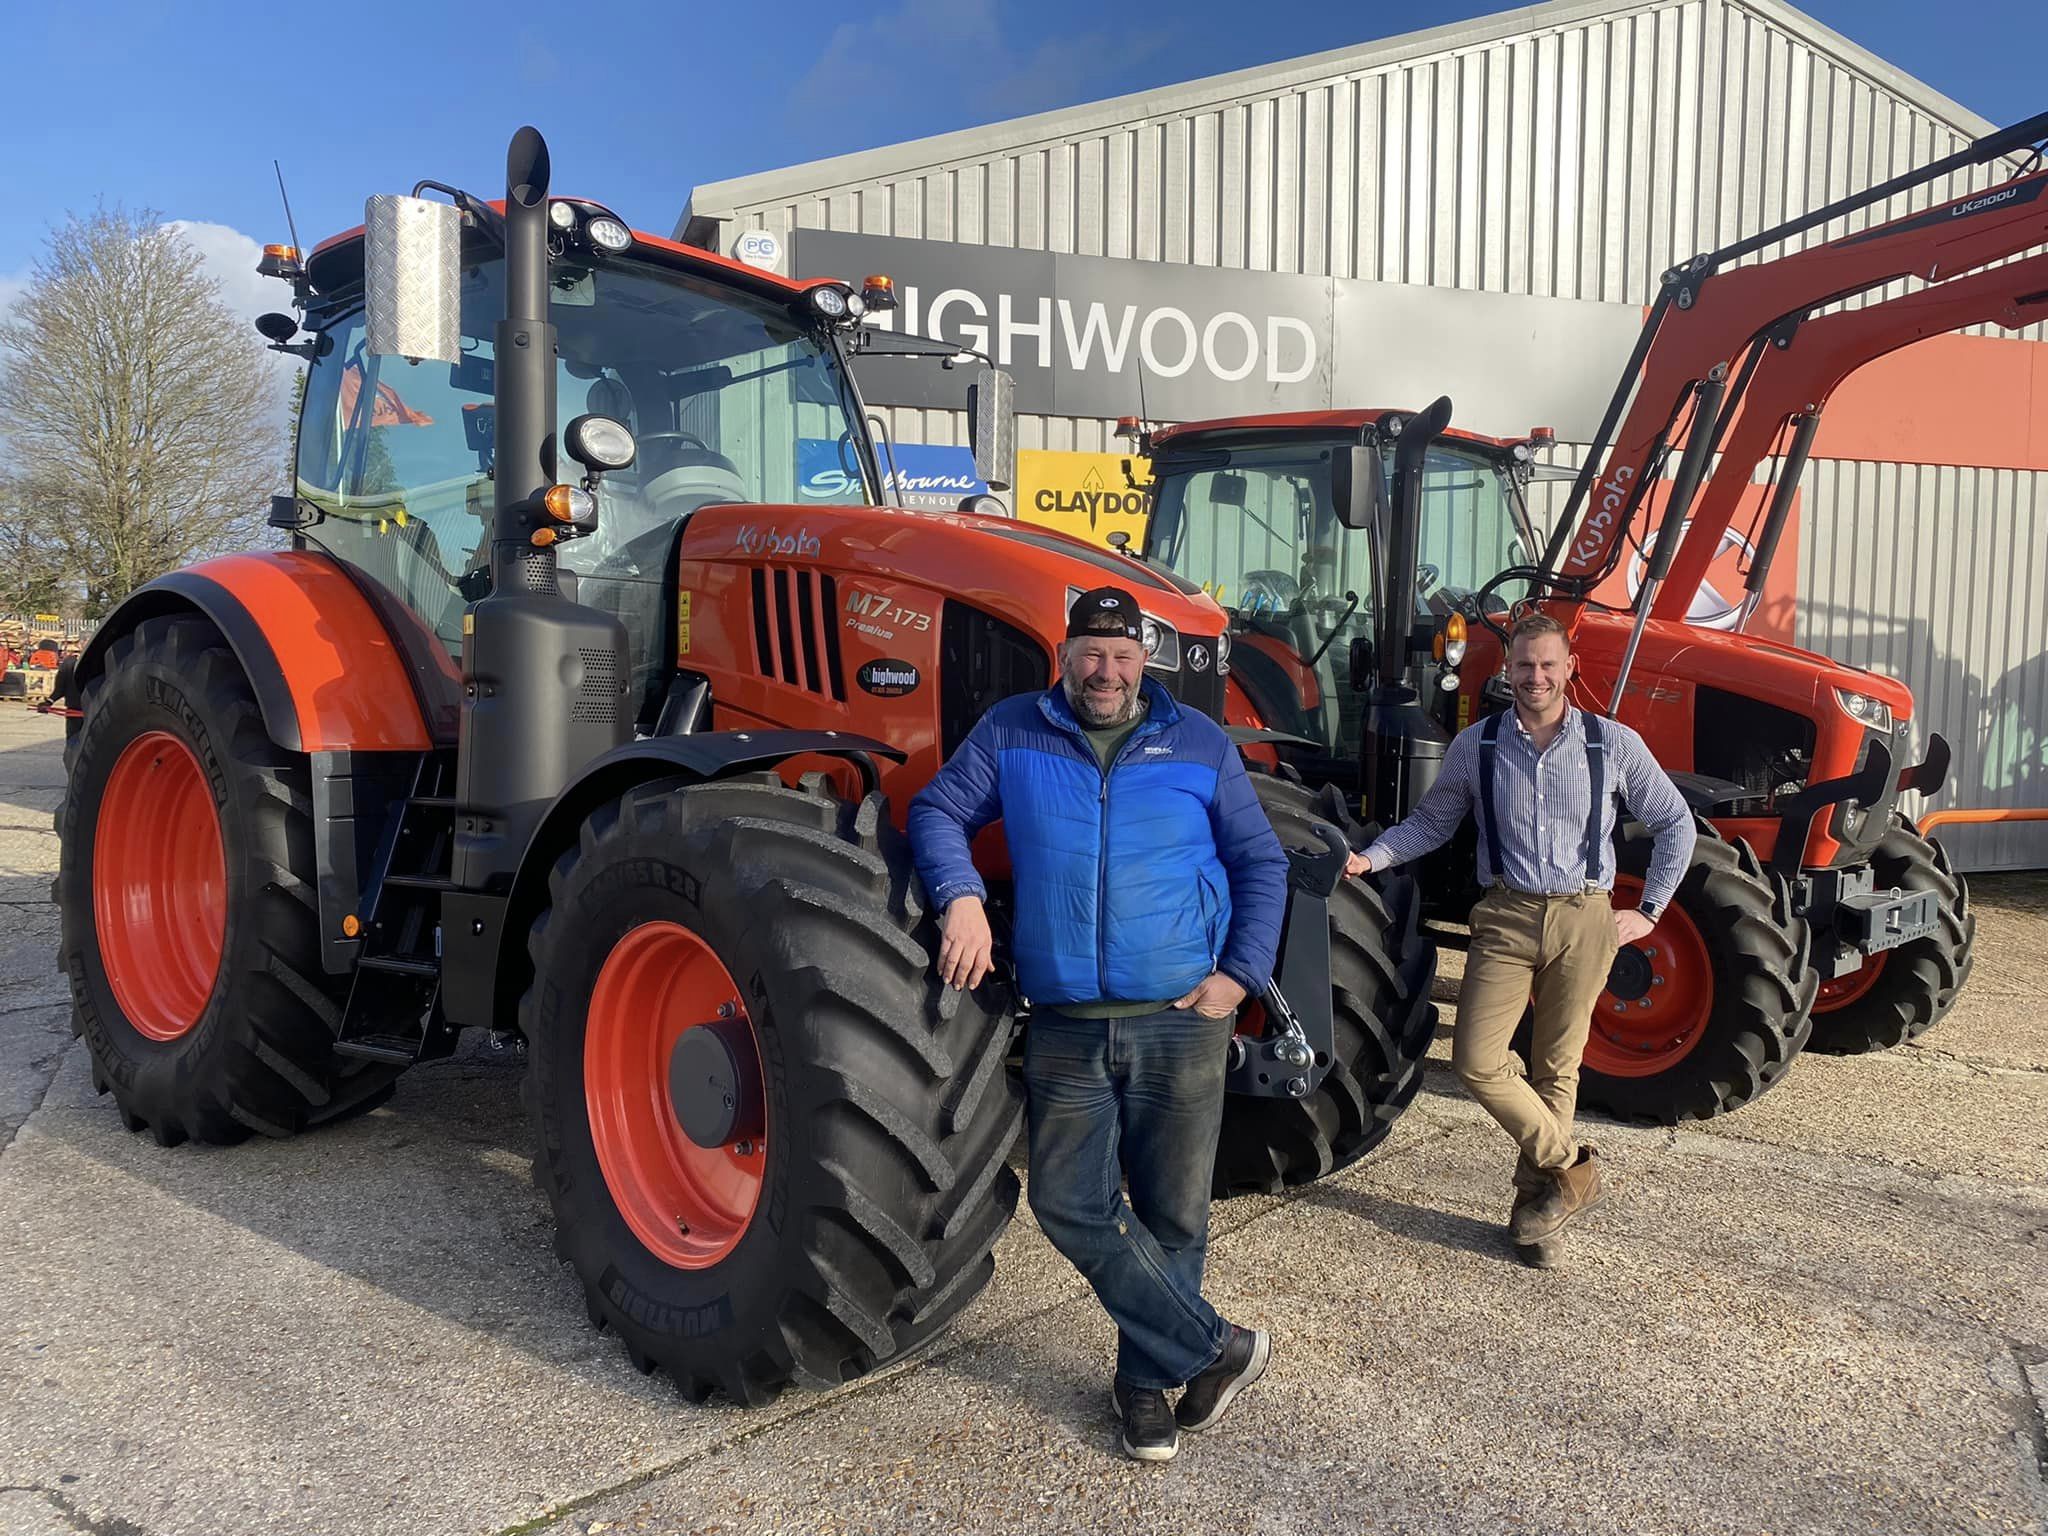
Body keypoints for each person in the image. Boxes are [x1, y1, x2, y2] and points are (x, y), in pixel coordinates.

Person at [909, 586, 1290, 1463]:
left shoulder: (1197, 742)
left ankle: (1144, 1388)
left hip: (1181, 1020)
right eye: (1090, 652)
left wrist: (1239, 976)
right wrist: (960, 895)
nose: (1105, 671)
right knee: (1066, 1201)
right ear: (1066, 655)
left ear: (1143, 660)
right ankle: (1215, 1350)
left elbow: (1258, 861)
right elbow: (936, 811)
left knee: (1172, 1213)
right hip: (1069, 1024)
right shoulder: (1014, 729)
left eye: (1122, 656)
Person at [1346, 613, 1695, 1265]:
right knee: (1478, 1060)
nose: (1535, 676)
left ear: (1570, 669)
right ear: (1507, 670)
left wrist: (1648, 910)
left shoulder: (1611, 744)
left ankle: (1538, 1215)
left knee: (1557, 1068)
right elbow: (1433, 821)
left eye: (1547, 665)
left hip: (1584, 916)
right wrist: (1374, 858)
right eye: (1523, 665)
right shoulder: (1475, 745)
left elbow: (1675, 822)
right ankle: (1573, 1167)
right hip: (1505, 914)